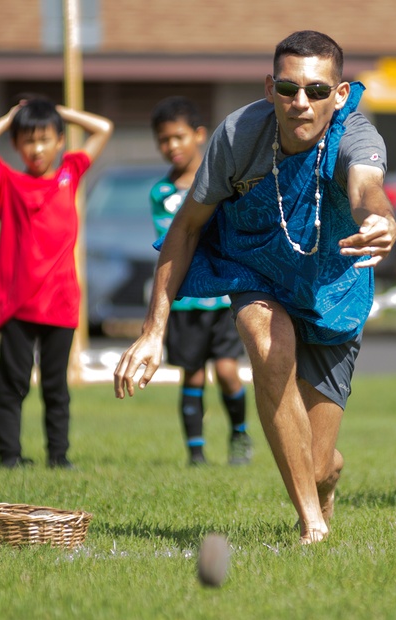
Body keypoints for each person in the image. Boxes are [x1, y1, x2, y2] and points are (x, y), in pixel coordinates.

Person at [114, 31, 396, 544]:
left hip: (333, 293)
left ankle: (324, 486)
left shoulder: (356, 136)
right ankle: (312, 527)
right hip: (256, 273)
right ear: (270, 88)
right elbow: (185, 226)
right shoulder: (238, 136)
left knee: (314, 468)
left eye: (316, 90)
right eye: (288, 88)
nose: (301, 102)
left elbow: (367, 188)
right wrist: (153, 330)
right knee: (264, 337)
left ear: (339, 93)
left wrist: (381, 219)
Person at [0, 96, 113, 469]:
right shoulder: (7, 182)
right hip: (18, 303)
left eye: (45, 138)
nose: (37, 148)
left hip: (61, 302)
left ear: (60, 141)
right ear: (17, 145)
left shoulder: (70, 173)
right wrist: (11, 117)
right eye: (28, 140)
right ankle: (10, 457)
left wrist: (58, 112)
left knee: (56, 388)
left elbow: (103, 128)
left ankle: (58, 457)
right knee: (12, 386)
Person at [149, 96, 253, 467]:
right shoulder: (161, 194)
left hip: (221, 301)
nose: (172, 146)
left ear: (199, 135)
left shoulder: (219, 184)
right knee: (191, 375)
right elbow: (173, 243)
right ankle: (196, 452)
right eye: (164, 140)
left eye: (178, 137)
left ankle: (240, 434)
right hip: (185, 304)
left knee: (227, 372)